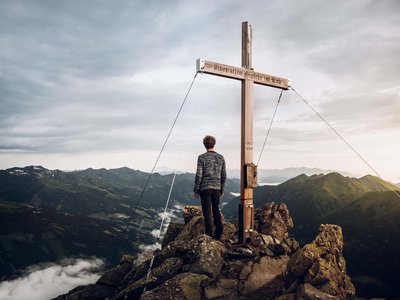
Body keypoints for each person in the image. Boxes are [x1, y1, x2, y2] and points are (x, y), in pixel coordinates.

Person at [194, 135, 226, 240]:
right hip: (216, 188)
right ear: (214, 144)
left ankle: (209, 235)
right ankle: (219, 232)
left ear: (204, 145)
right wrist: (222, 189)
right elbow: (223, 175)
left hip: (205, 188)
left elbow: (199, 174)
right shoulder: (221, 157)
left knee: (207, 212)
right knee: (216, 209)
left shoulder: (201, 157)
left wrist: (196, 189)